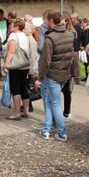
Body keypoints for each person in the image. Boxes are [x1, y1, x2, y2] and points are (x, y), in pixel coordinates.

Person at [36, 12, 73, 141]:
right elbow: (70, 56)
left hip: (53, 74)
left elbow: (45, 61)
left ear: (51, 21)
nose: (46, 23)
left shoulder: (50, 38)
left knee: (54, 103)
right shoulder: (69, 35)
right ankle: (46, 128)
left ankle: (61, 132)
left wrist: (40, 78)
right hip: (64, 74)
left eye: (47, 21)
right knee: (50, 101)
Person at [4, 19, 31, 120]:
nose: (10, 26)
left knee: (15, 89)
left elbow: (11, 51)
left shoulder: (13, 36)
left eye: (12, 25)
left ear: (16, 26)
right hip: (25, 65)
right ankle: (26, 111)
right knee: (24, 87)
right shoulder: (25, 36)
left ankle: (17, 113)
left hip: (16, 65)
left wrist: (6, 65)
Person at [62, 15, 77, 118]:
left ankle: (67, 111)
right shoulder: (68, 33)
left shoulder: (70, 33)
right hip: (65, 62)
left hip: (67, 63)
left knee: (66, 90)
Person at [70, 13, 83, 85]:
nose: (70, 19)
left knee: (75, 64)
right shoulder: (73, 26)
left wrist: (79, 46)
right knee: (72, 64)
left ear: (75, 19)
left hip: (75, 47)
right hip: (73, 47)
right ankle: (72, 77)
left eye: (71, 18)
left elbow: (80, 37)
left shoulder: (78, 27)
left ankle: (77, 78)